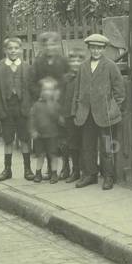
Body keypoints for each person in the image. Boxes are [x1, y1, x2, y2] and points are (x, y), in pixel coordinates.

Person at [72, 33, 126, 190]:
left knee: (107, 146)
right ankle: (90, 175)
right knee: (87, 145)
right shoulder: (83, 67)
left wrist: (113, 107)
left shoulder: (110, 66)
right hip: (86, 113)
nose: (96, 51)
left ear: (104, 49)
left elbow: (119, 91)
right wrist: (76, 110)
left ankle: (108, 176)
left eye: (99, 48)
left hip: (105, 114)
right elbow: (77, 90)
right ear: (89, 48)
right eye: (93, 48)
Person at [0, 37, 34, 182]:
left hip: (23, 108)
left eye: (16, 48)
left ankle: (28, 169)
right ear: (5, 51)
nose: (13, 51)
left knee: (25, 139)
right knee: (8, 140)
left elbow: (32, 90)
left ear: (20, 50)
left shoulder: (27, 67)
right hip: (7, 108)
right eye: (10, 48)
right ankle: (7, 169)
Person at [30, 76, 62, 184]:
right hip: (39, 135)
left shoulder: (55, 105)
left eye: (50, 90)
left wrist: (52, 104)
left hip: (52, 135)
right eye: (45, 89)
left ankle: (54, 173)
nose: (47, 92)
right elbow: (32, 119)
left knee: (53, 155)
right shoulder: (36, 105)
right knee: (40, 155)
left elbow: (57, 118)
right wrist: (33, 130)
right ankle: (38, 173)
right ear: (41, 91)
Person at [59, 51, 82, 183]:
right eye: (72, 61)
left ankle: (76, 170)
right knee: (64, 143)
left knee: (75, 143)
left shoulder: (83, 78)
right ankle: (65, 168)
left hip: (78, 115)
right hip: (65, 114)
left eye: (78, 61)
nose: (75, 64)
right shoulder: (65, 79)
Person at [28, 31, 69, 101]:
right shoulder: (38, 63)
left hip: (61, 98)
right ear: (42, 47)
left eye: (52, 45)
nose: (49, 48)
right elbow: (31, 83)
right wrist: (41, 94)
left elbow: (68, 79)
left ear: (57, 45)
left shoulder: (63, 61)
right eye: (46, 45)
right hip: (43, 99)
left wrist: (59, 90)